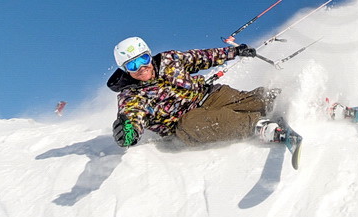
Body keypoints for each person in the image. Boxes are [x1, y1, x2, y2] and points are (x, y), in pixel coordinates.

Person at [107, 36, 285, 148]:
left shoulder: (169, 60)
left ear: (149, 55)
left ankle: (284, 98)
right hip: (185, 125)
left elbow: (201, 57)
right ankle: (260, 127)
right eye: (132, 65)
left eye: (143, 59)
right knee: (194, 122)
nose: (141, 68)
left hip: (209, 96)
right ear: (125, 69)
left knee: (256, 100)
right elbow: (132, 116)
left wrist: (235, 51)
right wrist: (128, 133)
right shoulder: (131, 96)